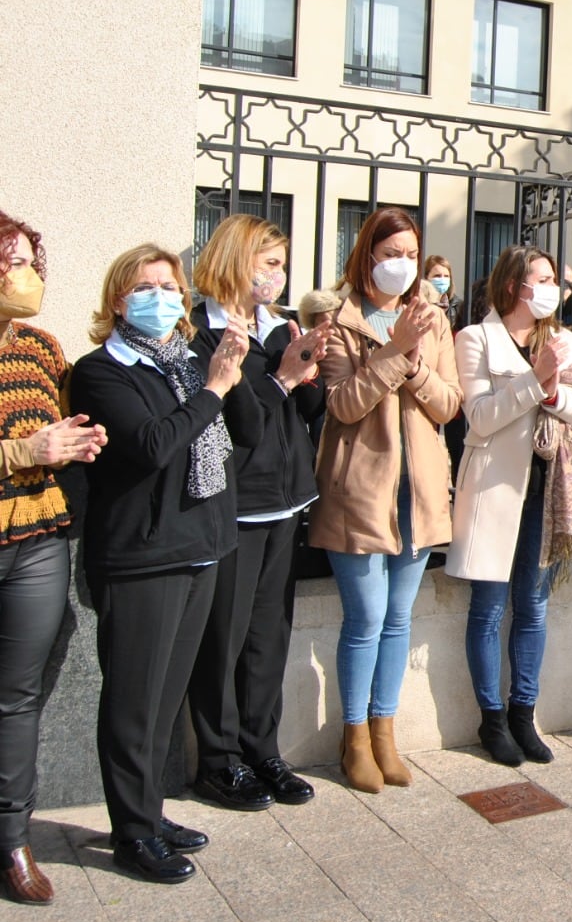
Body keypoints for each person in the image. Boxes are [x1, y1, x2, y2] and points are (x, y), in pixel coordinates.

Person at [72, 243, 262, 883]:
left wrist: (230, 372)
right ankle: (131, 832)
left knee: (165, 698)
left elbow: (248, 434)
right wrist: (211, 389)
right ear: (117, 299)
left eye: (170, 285)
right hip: (141, 558)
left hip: (202, 548)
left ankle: (148, 814)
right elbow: (153, 446)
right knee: (133, 701)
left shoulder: (188, 363)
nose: (163, 296)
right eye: (146, 286)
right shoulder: (102, 371)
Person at [310, 207, 461, 793]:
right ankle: (353, 738)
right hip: (360, 490)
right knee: (366, 618)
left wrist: (414, 360)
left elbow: (448, 405)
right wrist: (395, 350)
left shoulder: (433, 320)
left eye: (410, 253)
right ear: (367, 253)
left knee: (399, 618)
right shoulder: (338, 318)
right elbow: (343, 404)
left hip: (418, 490)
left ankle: (385, 732)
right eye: (390, 251)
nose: (402, 263)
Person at [187, 215, 327, 812]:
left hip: (286, 500)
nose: (279, 274)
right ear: (235, 261)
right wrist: (280, 377)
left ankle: (262, 748)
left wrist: (309, 365)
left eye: (281, 264)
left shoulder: (279, 325)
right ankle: (218, 761)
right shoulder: (200, 333)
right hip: (235, 505)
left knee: (269, 635)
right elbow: (237, 423)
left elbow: (306, 408)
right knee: (225, 636)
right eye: (268, 262)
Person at [446, 246, 572, 767]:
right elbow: (481, 418)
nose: (553, 287)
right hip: (495, 488)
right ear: (515, 285)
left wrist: (555, 395)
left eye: (555, 278)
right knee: (489, 608)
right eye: (544, 278)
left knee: (533, 607)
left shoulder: (560, 341)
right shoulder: (475, 339)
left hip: (549, 489)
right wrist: (536, 381)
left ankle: (523, 712)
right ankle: (490, 718)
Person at [0, 214, 106, 905]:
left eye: (31, 260)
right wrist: (24, 452)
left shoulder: (41, 346)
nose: (26, 273)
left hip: (36, 541)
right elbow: (27, 445)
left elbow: (63, 420)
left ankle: (12, 839)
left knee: (19, 697)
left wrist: (78, 441)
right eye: (12, 259)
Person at [423, 255, 459, 326]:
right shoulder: (419, 303)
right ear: (426, 277)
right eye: (437, 276)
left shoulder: (457, 306)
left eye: (446, 276)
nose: (442, 280)